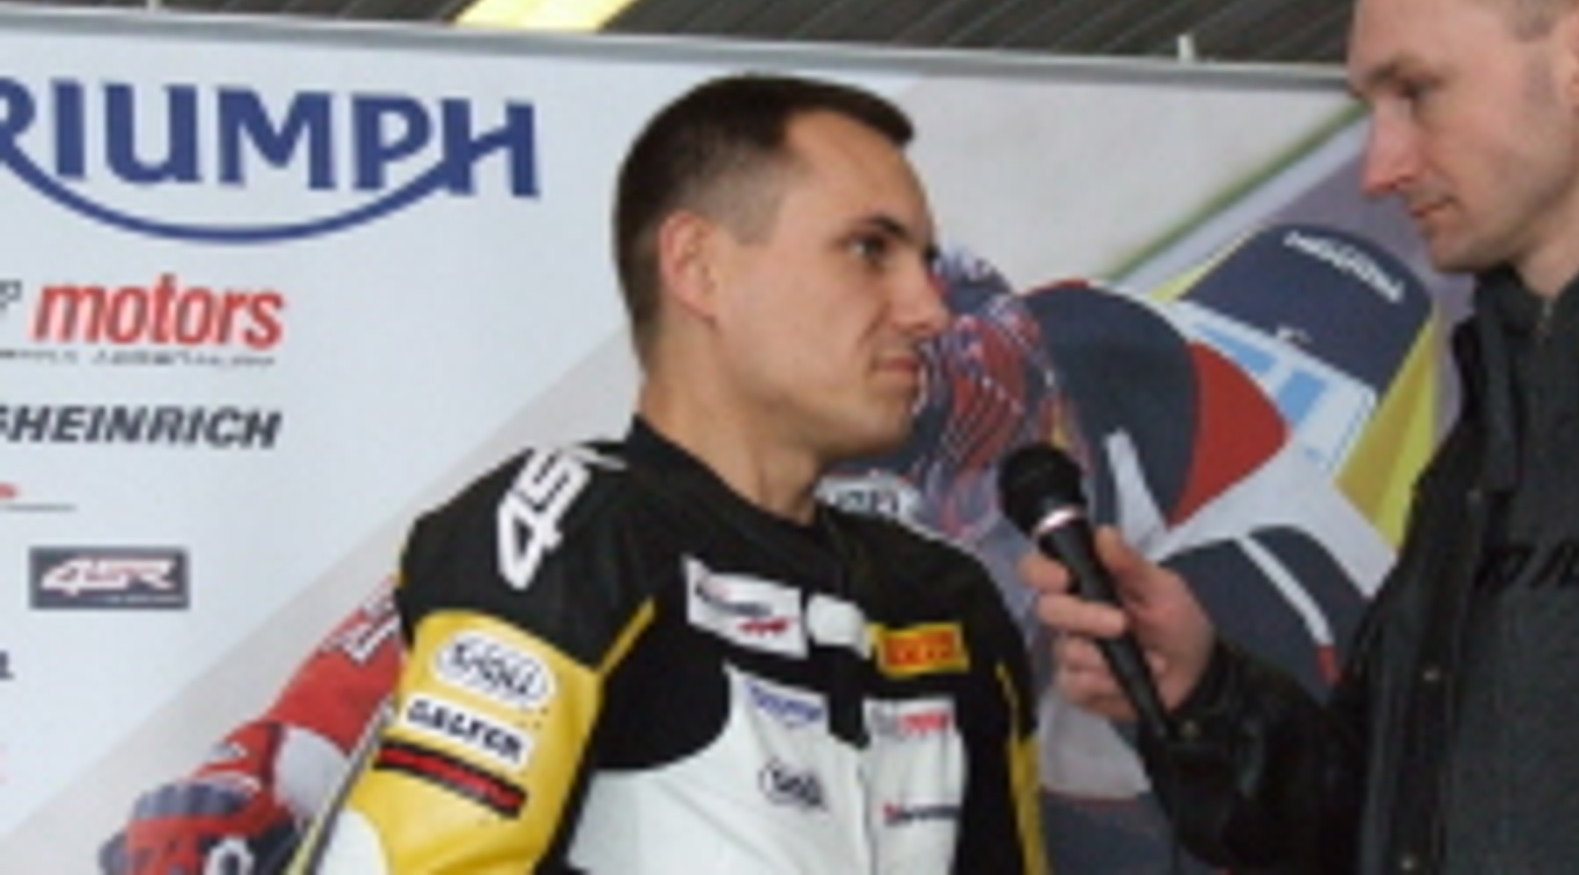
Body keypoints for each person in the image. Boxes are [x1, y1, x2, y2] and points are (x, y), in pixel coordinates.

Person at [1022, 0, 1579, 872]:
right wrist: (1201, 689)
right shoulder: (1488, 435)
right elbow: (1364, 822)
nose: (1381, 165)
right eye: (1372, 109)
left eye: (1418, 91)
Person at [283, 74, 1046, 873]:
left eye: (924, 261)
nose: (929, 310)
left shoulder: (944, 598)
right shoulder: (573, 534)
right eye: (868, 250)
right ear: (698, 267)